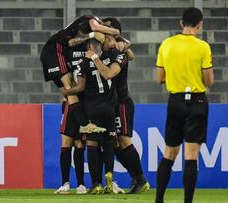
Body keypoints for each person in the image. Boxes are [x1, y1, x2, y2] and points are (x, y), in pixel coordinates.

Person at [45, 15, 119, 194]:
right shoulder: (73, 46)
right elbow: (70, 45)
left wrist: (113, 37)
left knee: (83, 144)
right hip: (79, 103)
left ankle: (82, 184)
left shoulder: (97, 54)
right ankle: (67, 183)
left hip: (87, 102)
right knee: (69, 141)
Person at [154, 7, 214, 203]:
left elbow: (159, 78)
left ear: (181, 23)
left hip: (175, 101)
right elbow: (209, 79)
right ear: (199, 25)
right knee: (191, 155)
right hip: (196, 101)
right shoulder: (203, 47)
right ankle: (188, 201)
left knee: (169, 152)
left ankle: (159, 200)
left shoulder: (166, 45)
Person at [63, 38, 124, 194]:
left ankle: (96, 183)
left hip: (92, 108)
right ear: (100, 47)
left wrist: (67, 91)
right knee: (109, 143)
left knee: (92, 145)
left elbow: (81, 87)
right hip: (109, 108)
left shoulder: (84, 63)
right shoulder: (110, 58)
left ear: (90, 48)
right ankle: (109, 174)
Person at [101, 17, 150, 194]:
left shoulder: (119, 48)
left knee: (123, 140)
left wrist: (124, 45)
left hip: (121, 101)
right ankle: (136, 177)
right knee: (113, 143)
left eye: (106, 27)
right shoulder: (108, 47)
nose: (102, 28)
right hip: (110, 103)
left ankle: (141, 178)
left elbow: (129, 54)